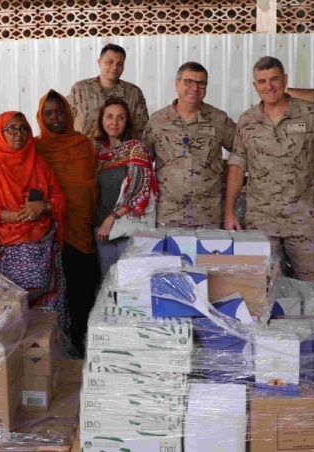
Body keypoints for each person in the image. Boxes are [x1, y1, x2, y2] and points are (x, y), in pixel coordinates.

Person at [224, 56, 314, 281]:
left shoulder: (310, 114)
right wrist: (229, 211)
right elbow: (237, 166)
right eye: (262, 81)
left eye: (274, 79)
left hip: (300, 217)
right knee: (265, 282)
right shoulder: (247, 121)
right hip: (261, 219)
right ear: (255, 86)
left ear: (285, 80)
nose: (269, 86)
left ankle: (309, 317)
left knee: (310, 279)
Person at [0, 111, 69, 334]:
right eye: (11, 129)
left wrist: (43, 206)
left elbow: (59, 198)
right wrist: (18, 216)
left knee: (45, 325)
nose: (19, 134)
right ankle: (16, 359)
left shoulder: (39, 164)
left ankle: (47, 355)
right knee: (14, 319)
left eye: (24, 129)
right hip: (8, 257)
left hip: (44, 255)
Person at [34, 89, 101, 357]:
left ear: (69, 113)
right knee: (52, 293)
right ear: (40, 117)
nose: (56, 118)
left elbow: (91, 186)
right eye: (48, 113)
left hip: (81, 230)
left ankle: (80, 344)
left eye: (60, 111)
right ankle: (54, 349)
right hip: (49, 232)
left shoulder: (82, 145)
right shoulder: (36, 148)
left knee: (82, 290)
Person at [142, 61, 235, 229]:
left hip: (208, 216)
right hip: (168, 215)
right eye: (189, 82)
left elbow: (242, 152)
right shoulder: (157, 122)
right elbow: (144, 165)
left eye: (201, 83)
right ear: (177, 84)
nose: (195, 88)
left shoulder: (219, 120)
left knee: (208, 256)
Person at [93, 98, 158, 274]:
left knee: (129, 284)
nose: (114, 122)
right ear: (101, 120)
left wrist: (112, 218)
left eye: (120, 117)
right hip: (102, 230)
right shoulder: (99, 154)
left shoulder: (136, 148)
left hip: (127, 228)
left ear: (127, 122)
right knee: (107, 283)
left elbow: (139, 189)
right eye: (109, 117)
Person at [67, 43, 149, 139]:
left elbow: (142, 130)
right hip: (85, 151)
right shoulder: (80, 89)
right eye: (110, 62)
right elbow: (65, 122)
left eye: (120, 64)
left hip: (120, 152)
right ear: (99, 62)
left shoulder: (133, 93)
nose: (115, 67)